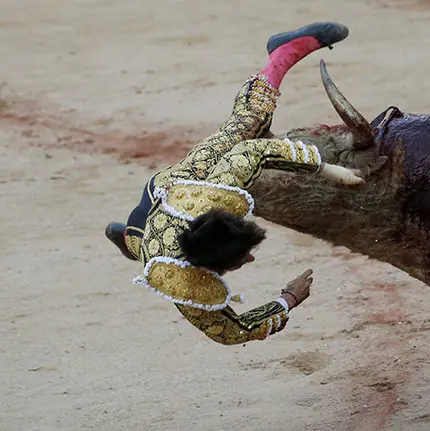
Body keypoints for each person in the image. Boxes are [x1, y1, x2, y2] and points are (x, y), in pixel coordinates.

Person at [104, 22, 363, 345]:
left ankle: (282, 52)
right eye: (243, 258)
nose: (251, 258)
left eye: (244, 256)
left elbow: (255, 150)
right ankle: (129, 238)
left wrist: (326, 169)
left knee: (249, 125)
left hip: (175, 185)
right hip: (153, 239)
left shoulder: (209, 196)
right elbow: (233, 332)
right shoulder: (176, 278)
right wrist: (288, 300)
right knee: (146, 248)